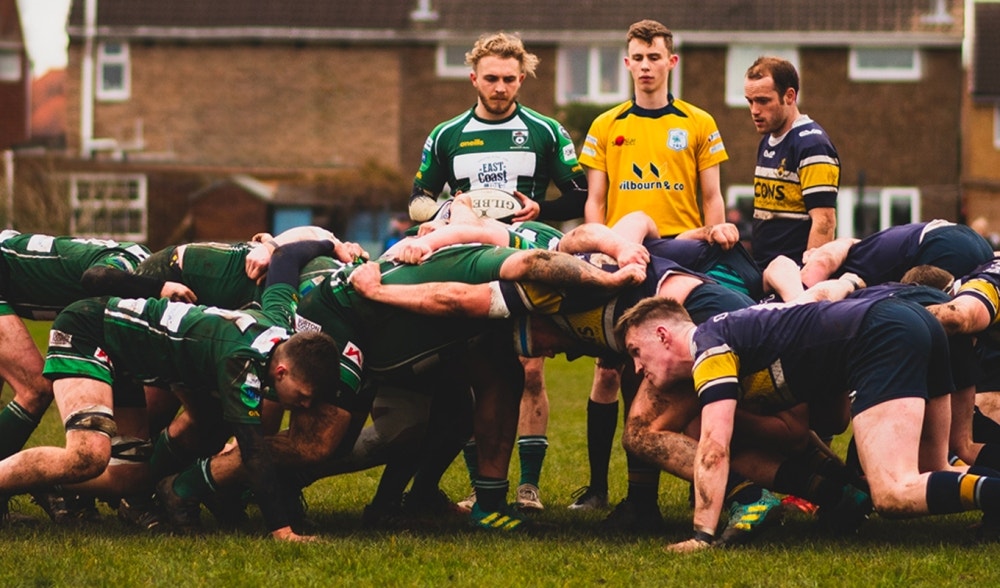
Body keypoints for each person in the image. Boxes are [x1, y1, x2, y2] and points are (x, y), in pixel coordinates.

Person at [0, 240, 342, 541]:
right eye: (304, 394)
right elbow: (253, 452)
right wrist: (281, 531)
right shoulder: (243, 362)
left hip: (126, 353)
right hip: (90, 333)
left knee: (132, 477)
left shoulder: (279, 320)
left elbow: (286, 256)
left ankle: (42, 481)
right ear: (281, 370)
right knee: (87, 456)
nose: (306, 404)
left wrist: (331, 245)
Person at [618, 294, 1000, 552]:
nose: (637, 368)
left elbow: (714, 447)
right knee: (933, 470)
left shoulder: (710, 345)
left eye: (637, 351)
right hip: (909, 320)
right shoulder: (730, 330)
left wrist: (702, 534)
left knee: (894, 492)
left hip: (882, 333)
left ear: (664, 335)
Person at [408, 31, 591, 512]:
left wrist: (541, 207)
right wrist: (450, 206)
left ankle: (527, 488)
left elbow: (581, 194)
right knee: (471, 370)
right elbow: (417, 200)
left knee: (530, 371)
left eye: (510, 79)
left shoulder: (546, 131)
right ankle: (479, 487)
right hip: (467, 256)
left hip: (524, 254)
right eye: (491, 78)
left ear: (522, 78)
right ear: (473, 78)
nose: (500, 87)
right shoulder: (447, 135)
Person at [575, 18, 730, 522]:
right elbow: (595, 204)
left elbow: (712, 198)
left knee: (689, 373)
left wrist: (718, 239)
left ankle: (698, 488)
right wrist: (600, 255)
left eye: (654, 57)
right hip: (627, 262)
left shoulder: (699, 122)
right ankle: (607, 489)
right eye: (637, 58)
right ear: (627, 64)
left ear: (671, 62)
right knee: (617, 369)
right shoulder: (605, 126)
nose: (645, 67)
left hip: (682, 264)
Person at [0, 230, 195, 522]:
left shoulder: (136, 271)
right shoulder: (130, 266)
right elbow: (96, 277)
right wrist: (160, 288)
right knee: (35, 388)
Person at [744, 56, 840, 268]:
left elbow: (824, 222)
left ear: (789, 96)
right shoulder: (767, 141)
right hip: (762, 268)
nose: (754, 110)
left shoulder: (812, 144)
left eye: (763, 101)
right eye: (750, 101)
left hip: (793, 273)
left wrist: (807, 282)